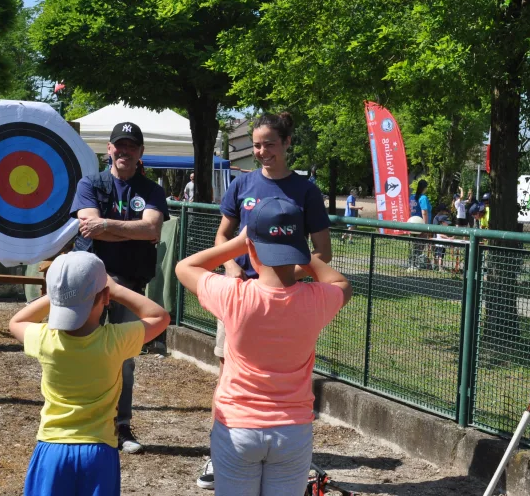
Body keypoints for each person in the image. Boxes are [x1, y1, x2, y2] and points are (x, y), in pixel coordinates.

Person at [176, 198, 352, 496]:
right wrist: (305, 254)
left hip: (237, 426)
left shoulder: (233, 295)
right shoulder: (316, 300)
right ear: (297, 249)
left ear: (252, 247)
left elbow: (186, 267)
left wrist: (239, 243)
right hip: (292, 431)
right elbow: (341, 283)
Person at [198, 111, 332, 489]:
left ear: (287, 143)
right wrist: (232, 271)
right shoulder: (242, 186)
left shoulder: (305, 191)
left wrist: (289, 277)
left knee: (283, 371)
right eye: (256, 145)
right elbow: (223, 237)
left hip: (285, 297)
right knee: (230, 374)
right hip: (241, 297)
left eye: (269, 144)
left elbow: (323, 251)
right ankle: (219, 454)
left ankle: (282, 449)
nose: (262, 152)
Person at [9, 252, 170, 495]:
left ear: (52, 296)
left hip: (51, 450)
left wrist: (57, 295)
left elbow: (16, 322)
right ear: (105, 296)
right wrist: (115, 289)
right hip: (99, 452)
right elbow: (159, 316)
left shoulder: (44, 339)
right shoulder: (114, 340)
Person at [71, 121, 169, 455]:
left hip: (131, 282)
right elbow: (88, 228)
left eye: (131, 146)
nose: (124, 151)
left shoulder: (152, 190)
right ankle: (86, 422)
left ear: (141, 152)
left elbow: (152, 229)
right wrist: (131, 229)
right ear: (109, 149)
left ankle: (120, 425)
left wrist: (107, 225)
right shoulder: (90, 182)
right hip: (90, 282)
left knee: (125, 357)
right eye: (119, 145)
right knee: (83, 349)